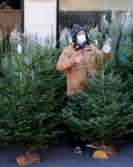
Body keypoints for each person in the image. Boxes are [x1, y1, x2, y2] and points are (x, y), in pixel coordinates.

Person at [56, 24, 111, 153]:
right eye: (79, 34)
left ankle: (89, 140)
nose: (82, 36)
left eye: (83, 33)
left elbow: (103, 59)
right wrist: (74, 60)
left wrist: (107, 50)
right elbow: (59, 66)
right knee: (76, 118)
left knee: (89, 116)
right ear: (74, 37)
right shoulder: (68, 50)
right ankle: (76, 144)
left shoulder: (91, 48)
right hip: (75, 89)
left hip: (91, 88)